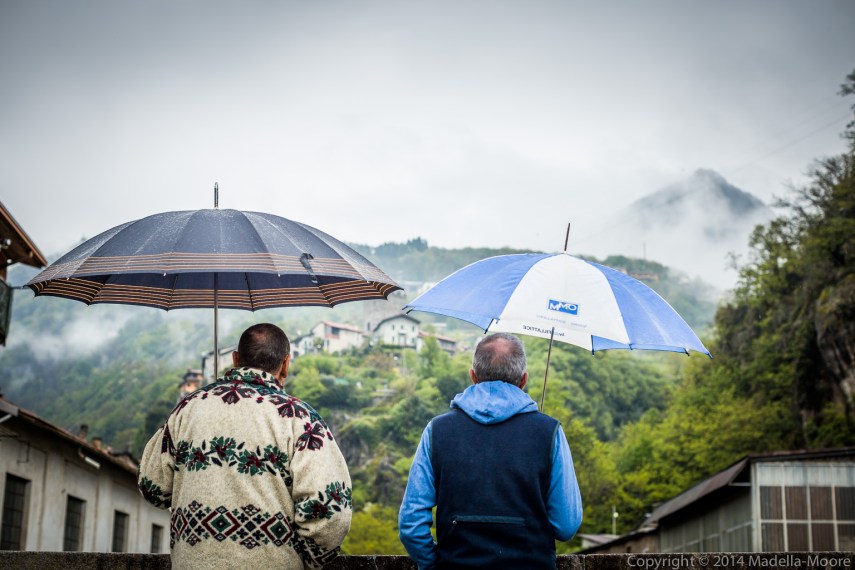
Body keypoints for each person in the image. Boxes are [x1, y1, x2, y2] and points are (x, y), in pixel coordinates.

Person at [138, 323, 352, 569]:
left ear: (236, 359)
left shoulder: (187, 409)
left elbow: (152, 486)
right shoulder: (301, 419)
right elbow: (331, 514)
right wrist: (305, 561)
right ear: (285, 365)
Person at [398, 332, 582, 569]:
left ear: (473, 376)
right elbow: (566, 526)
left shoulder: (437, 430)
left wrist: (434, 565)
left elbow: (410, 525)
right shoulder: (550, 432)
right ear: (523, 380)